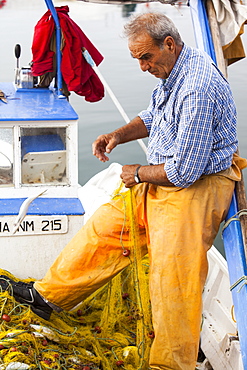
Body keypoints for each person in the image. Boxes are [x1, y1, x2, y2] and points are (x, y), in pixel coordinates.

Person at [1, 12, 246, 370]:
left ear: (169, 44)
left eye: (146, 58)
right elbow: (152, 116)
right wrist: (118, 135)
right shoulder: (173, 68)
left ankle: (170, 364)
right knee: (105, 227)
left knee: (171, 277)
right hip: (164, 177)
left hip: (198, 185)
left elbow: (185, 171)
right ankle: (47, 296)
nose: (143, 67)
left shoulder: (198, 86)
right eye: (137, 60)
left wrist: (137, 173)